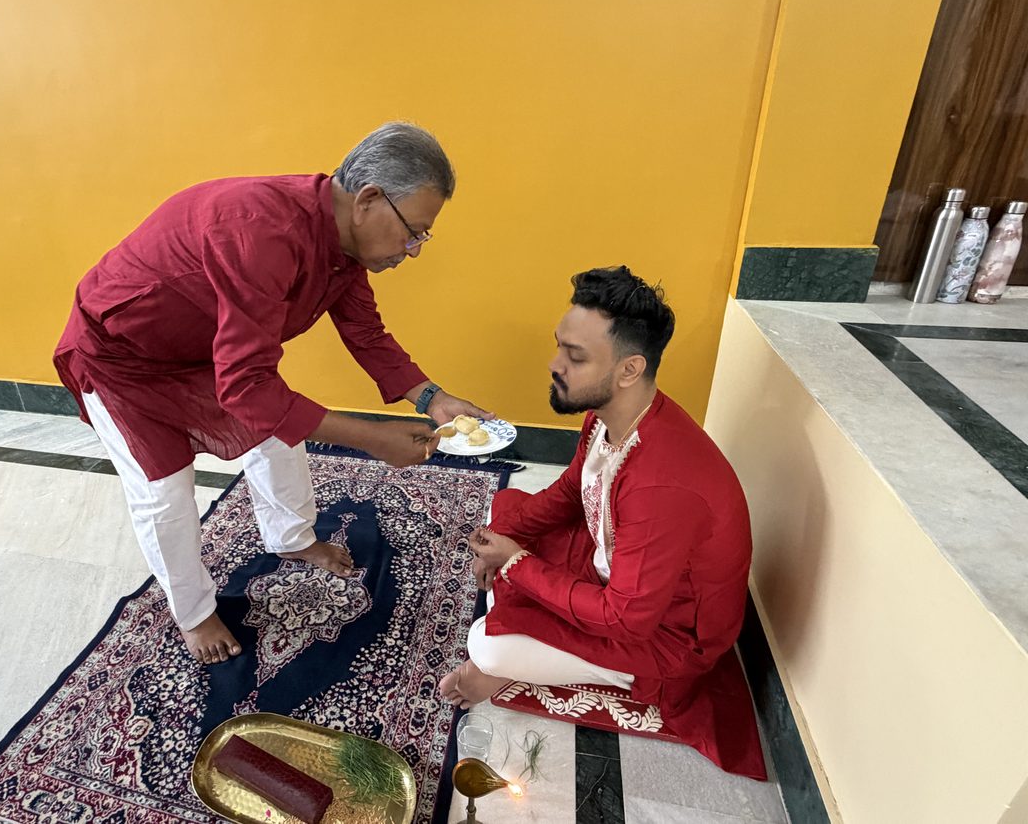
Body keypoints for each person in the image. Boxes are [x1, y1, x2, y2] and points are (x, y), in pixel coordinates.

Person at [55, 123, 491, 665]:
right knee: (163, 490)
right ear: (369, 201)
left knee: (279, 430)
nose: (414, 250)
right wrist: (368, 439)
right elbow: (247, 386)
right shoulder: (261, 231)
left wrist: (432, 399)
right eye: (414, 232)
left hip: (199, 348)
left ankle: (292, 537)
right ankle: (193, 613)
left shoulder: (340, 244)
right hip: (121, 355)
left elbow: (366, 333)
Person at [440, 266, 763, 777]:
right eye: (560, 347)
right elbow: (573, 490)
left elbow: (626, 619)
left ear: (629, 370)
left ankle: (549, 671)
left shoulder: (662, 483)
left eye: (575, 356)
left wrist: (517, 562)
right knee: (505, 514)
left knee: (487, 646)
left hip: (667, 635)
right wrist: (513, 537)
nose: (555, 364)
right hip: (621, 571)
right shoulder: (611, 414)